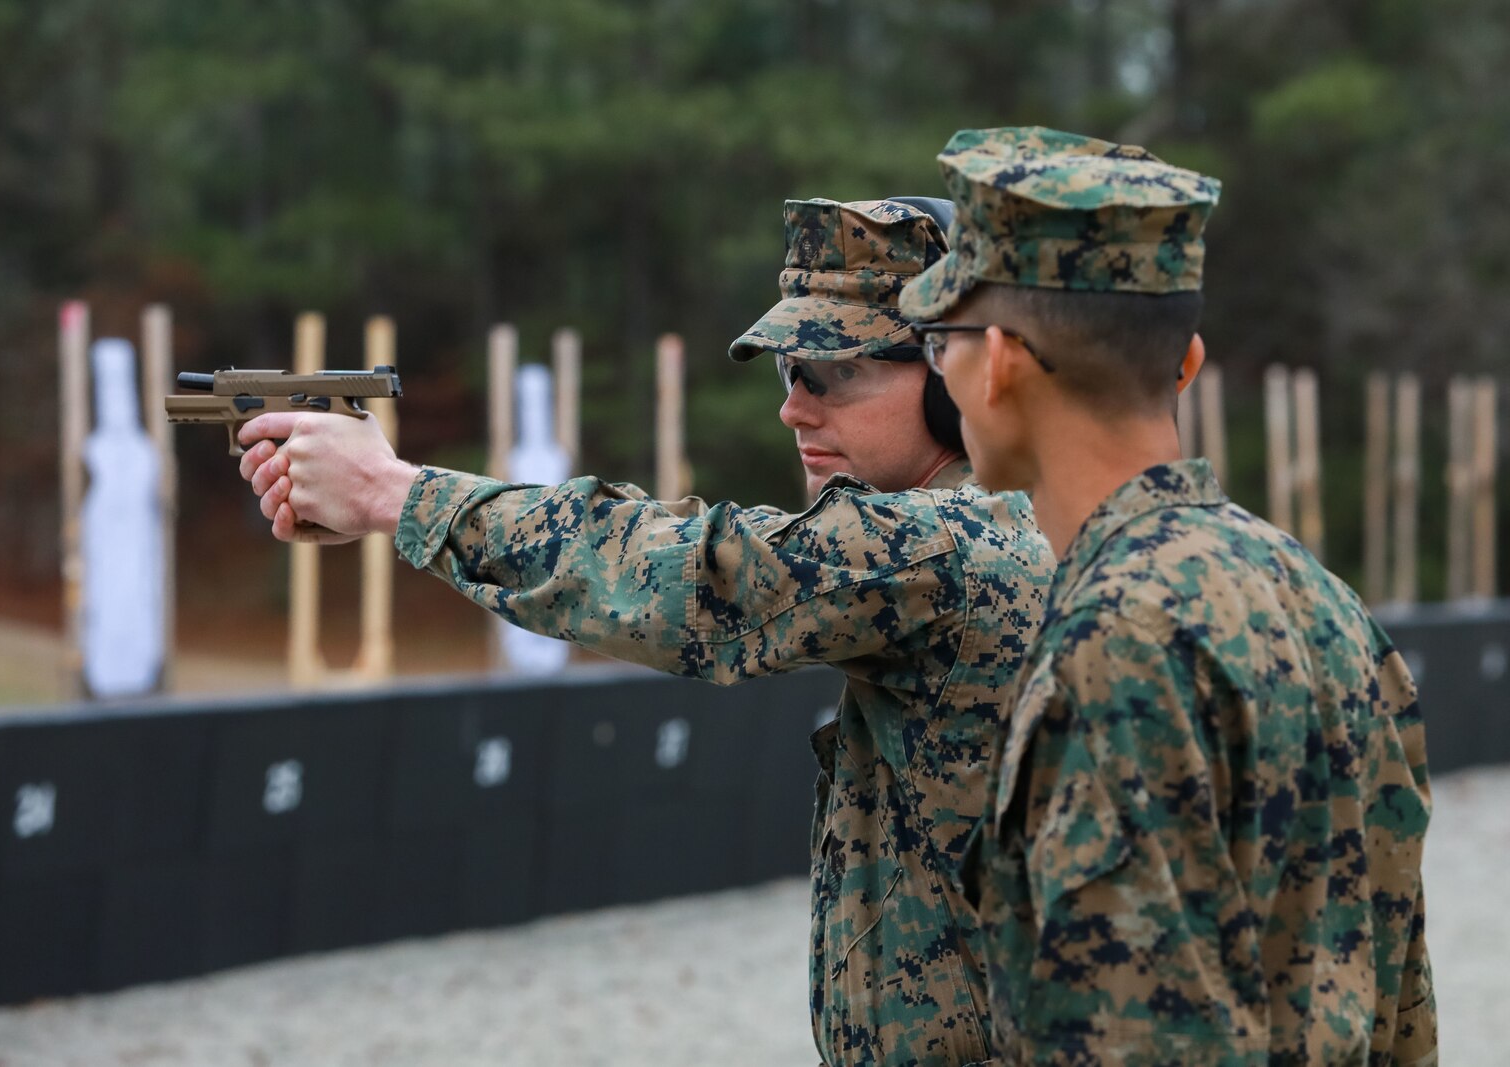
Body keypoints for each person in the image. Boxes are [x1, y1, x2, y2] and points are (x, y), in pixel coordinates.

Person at [237, 197, 1054, 1065]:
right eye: (789, 374)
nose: (796, 408)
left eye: (831, 371)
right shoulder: (1000, 522)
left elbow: (689, 579)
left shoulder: (947, 545)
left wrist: (393, 494)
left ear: (944, 377)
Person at [901, 126, 1437, 1064]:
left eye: (938, 341)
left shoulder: (1115, 644)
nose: (938, 372)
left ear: (996, 361)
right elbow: (1397, 993)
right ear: (1185, 363)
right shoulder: (1319, 600)